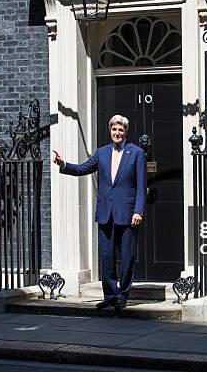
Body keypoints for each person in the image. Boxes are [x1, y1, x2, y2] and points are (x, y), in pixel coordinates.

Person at [52, 115, 146, 310]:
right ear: (110, 131)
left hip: (128, 214)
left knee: (127, 256)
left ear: (125, 132)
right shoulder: (102, 153)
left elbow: (140, 186)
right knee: (106, 256)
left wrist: (138, 211)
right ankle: (110, 295)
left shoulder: (136, 152)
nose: (117, 133)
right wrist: (63, 164)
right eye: (114, 130)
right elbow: (83, 168)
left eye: (121, 130)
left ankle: (123, 295)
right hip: (106, 213)